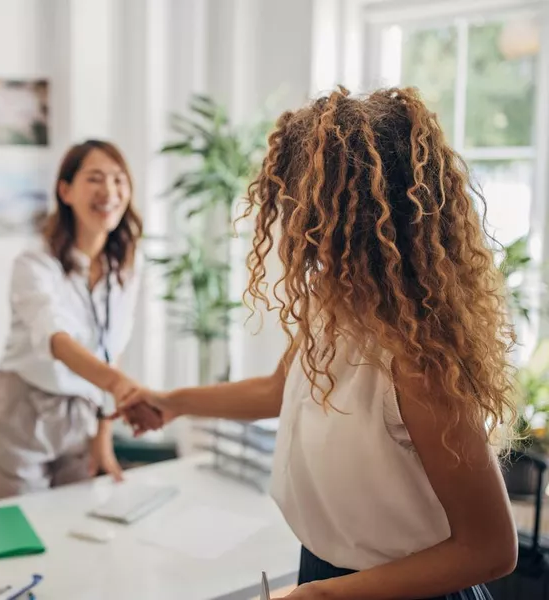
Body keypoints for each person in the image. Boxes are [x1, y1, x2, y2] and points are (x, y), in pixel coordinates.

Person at [119, 87, 518, 599]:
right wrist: (172, 403)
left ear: (356, 219)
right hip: (326, 573)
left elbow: (490, 550)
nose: (287, 224)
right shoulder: (329, 305)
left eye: (299, 205)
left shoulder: (419, 361)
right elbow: (276, 389)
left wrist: (320, 596)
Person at [0, 139, 151, 499]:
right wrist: (119, 385)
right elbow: (57, 340)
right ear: (66, 191)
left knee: (77, 522)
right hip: (23, 410)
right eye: (95, 178)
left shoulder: (125, 267)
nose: (109, 190)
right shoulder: (34, 263)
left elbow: (112, 347)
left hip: (84, 415)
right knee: (23, 528)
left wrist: (103, 434)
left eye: (119, 179)